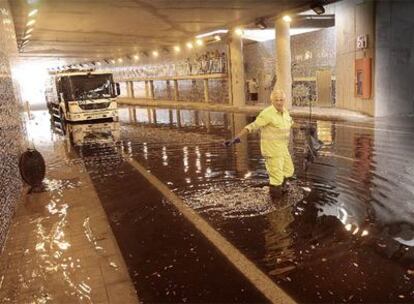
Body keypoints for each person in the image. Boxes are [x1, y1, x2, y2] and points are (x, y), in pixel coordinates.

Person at [224, 89, 294, 204]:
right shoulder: (267, 114)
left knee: (288, 170)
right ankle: (276, 203)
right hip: (271, 151)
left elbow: (291, 123)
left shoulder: (285, 112)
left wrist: (304, 128)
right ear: (272, 100)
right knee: (276, 178)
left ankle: (282, 189)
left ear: (284, 100)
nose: (279, 102)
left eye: (281, 100)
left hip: (283, 149)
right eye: (277, 100)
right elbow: (252, 126)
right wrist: (236, 137)